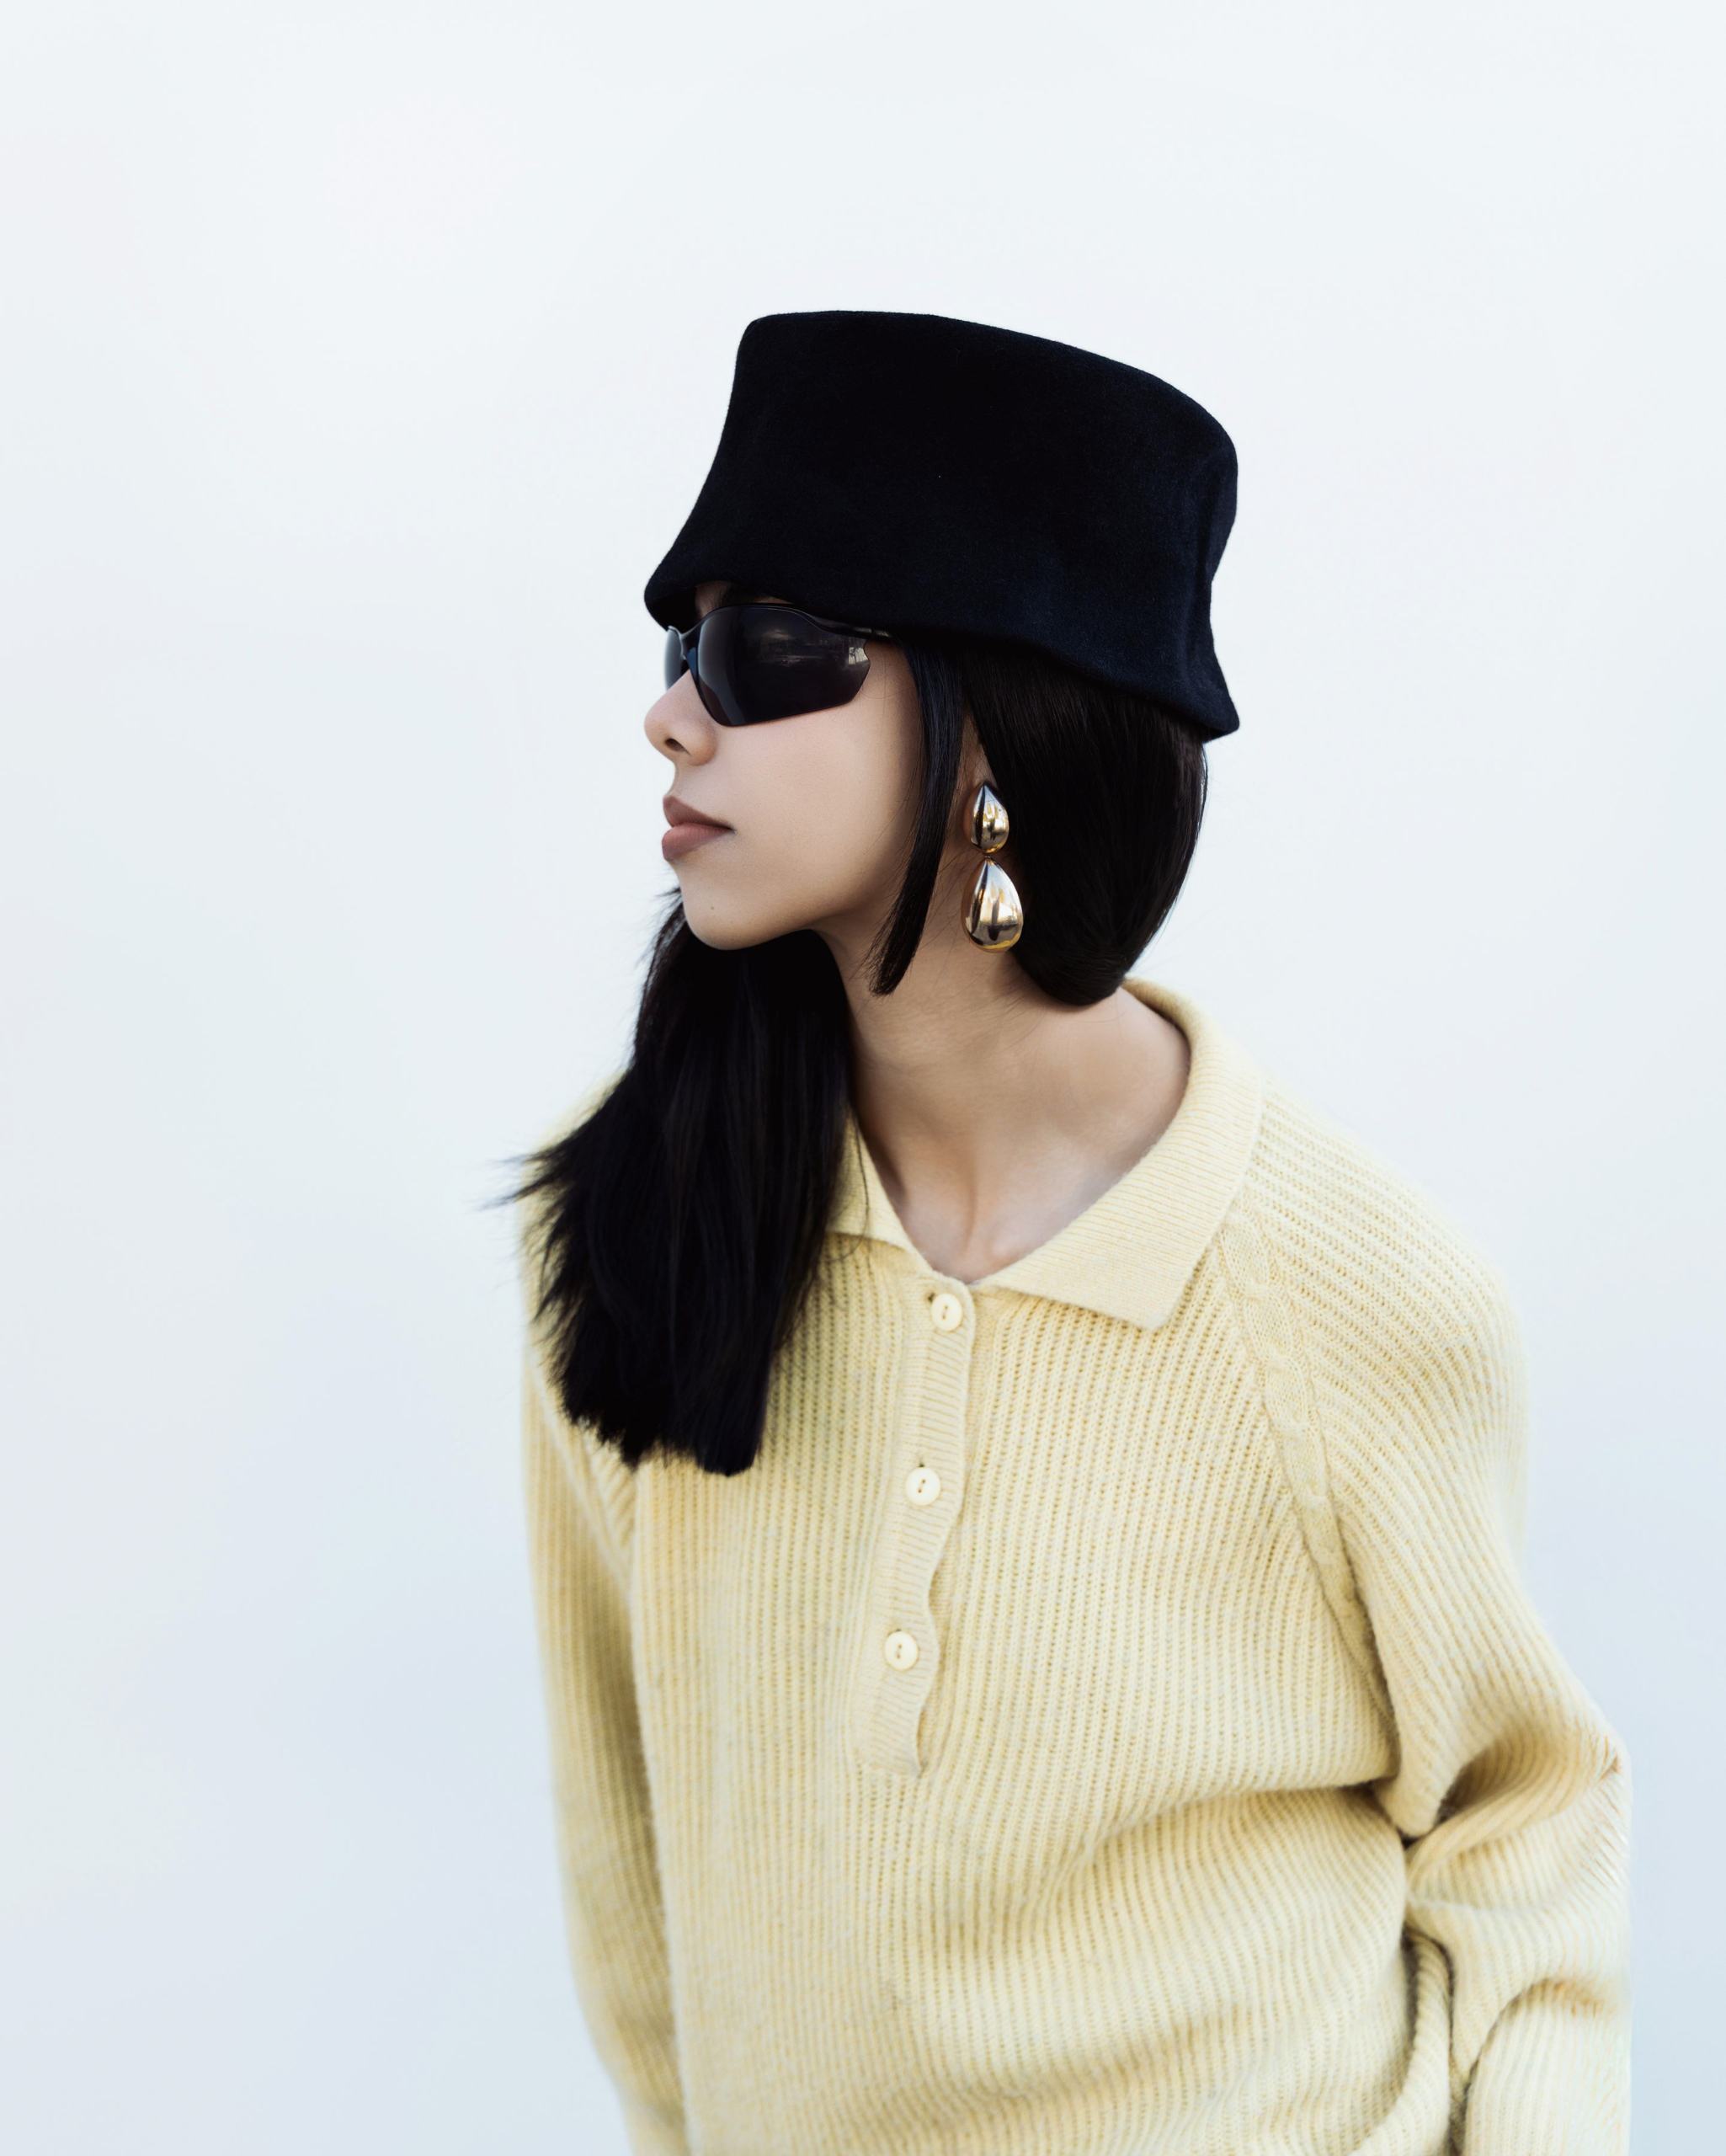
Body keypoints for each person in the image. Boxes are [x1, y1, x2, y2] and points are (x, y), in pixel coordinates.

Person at [517, 311, 1629, 2156]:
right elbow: (623, 1849)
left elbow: (1523, 1831)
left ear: (994, 724)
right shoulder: (637, 1215)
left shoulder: (1357, 1296)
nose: (673, 710)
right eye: (677, 646)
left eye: (763, 648)